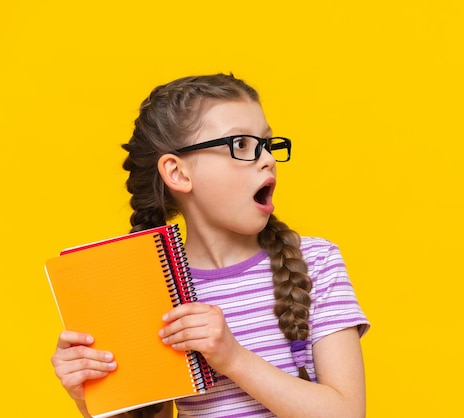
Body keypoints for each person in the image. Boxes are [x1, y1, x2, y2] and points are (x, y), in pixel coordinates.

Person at [51, 74, 370, 417]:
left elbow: (347, 413)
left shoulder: (316, 262)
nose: (267, 159)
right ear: (178, 173)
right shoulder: (152, 287)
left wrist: (233, 358)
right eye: (241, 145)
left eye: (266, 143)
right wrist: (87, 397)